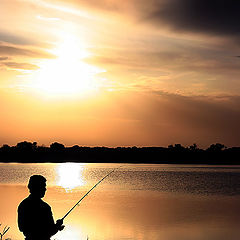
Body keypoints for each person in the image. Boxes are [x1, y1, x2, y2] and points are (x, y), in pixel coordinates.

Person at [18, 175, 65, 240]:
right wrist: (57, 226)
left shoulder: (23, 204)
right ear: (37, 187)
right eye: (43, 186)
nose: (45, 189)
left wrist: (56, 227)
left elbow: (21, 228)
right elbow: (49, 231)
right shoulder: (45, 207)